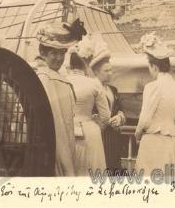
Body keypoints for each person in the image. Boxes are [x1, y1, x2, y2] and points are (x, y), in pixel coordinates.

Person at [35, 19, 86, 176]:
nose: (58, 58)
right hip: (53, 150)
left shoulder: (54, 76)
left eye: (61, 53)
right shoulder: (47, 78)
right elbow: (57, 124)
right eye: (53, 53)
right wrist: (66, 166)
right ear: (43, 53)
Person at [135, 32, 175, 175]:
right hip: (173, 144)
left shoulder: (152, 87)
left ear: (154, 66)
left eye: (149, 65)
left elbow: (144, 120)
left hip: (153, 143)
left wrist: (137, 135)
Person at [67, 35, 111, 176]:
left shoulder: (63, 81)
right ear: (86, 63)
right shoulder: (93, 84)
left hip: (66, 131)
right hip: (89, 131)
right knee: (90, 173)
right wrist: (95, 122)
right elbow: (106, 116)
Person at [90, 41, 126, 174]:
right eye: (106, 71)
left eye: (111, 70)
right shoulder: (91, 88)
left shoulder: (113, 89)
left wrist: (120, 117)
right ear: (96, 71)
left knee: (113, 167)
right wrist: (99, 119)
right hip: (99, 137)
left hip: (114, 137)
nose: (110, 73)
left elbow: (121, 109)